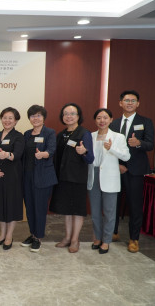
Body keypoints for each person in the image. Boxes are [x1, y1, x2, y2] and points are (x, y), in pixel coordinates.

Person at [109, 90, 154, 253]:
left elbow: (150, 145)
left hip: (135, 171)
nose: (129, 103)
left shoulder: (145, 121)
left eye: (133, 100)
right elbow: (111, 147)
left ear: (138, 104)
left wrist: (138, 143)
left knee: (135, 205)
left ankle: (134, 239)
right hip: (117, 169)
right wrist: (119, 164)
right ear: (120, 103)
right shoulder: (113, 124)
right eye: (126, 100)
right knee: (113, 202)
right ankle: (113, 232)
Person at [49, 103, 94, 253]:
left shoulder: (84, 133)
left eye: (72, 113)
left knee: (77, 210)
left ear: (78, 116)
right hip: (62, 178)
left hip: (77, 178)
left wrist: (84, 152)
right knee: (66, 210)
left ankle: (75, 240)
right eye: (66, 113)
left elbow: (90, 158)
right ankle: (67, 237)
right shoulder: (61, 135)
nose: (69, 116)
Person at [88, 108, 130, 254]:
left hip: (110, 178)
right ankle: (97, 238)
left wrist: (112, 148)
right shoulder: (91, 136)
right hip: (93, 176)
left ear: (111, 120)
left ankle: (106, 241)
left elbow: (126, 157)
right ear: (95, 120)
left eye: (105, 118)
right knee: (94, 212)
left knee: (109, 212)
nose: (102, 121)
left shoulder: (118, 137)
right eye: (99, 118)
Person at [0, 107, 24, 250]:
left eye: (10, 118)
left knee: (11, 204)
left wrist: (7, 155)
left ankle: (9, 236)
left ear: (16, 121)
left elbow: (18, 154)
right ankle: (2, 234)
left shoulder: (18, 136)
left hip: (12, 175)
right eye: (4, 117)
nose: (7, 120)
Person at [21, 105, 57, 252]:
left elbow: (52, 149)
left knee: (40, 208)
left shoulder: (49, 132)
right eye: (32, 116)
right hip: (27, 176)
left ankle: (38, 237)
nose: (35, 118)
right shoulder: (27, 134)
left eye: (38, 116)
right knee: (29, 207)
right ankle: (32, 233)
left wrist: (44, 154)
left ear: (43, 118)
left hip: (43, 176)